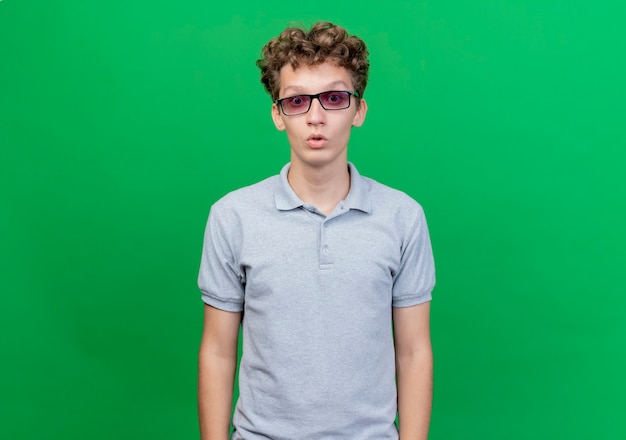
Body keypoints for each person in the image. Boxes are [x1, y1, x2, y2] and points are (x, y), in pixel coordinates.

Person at [197, 21, 436, 440]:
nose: (315, 117)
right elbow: (218, 351)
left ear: (359, 110)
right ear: (277, 115)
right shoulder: (232, 215)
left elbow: (414, 352)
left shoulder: (403, 216)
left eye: (333, 97)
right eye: (296, 101)